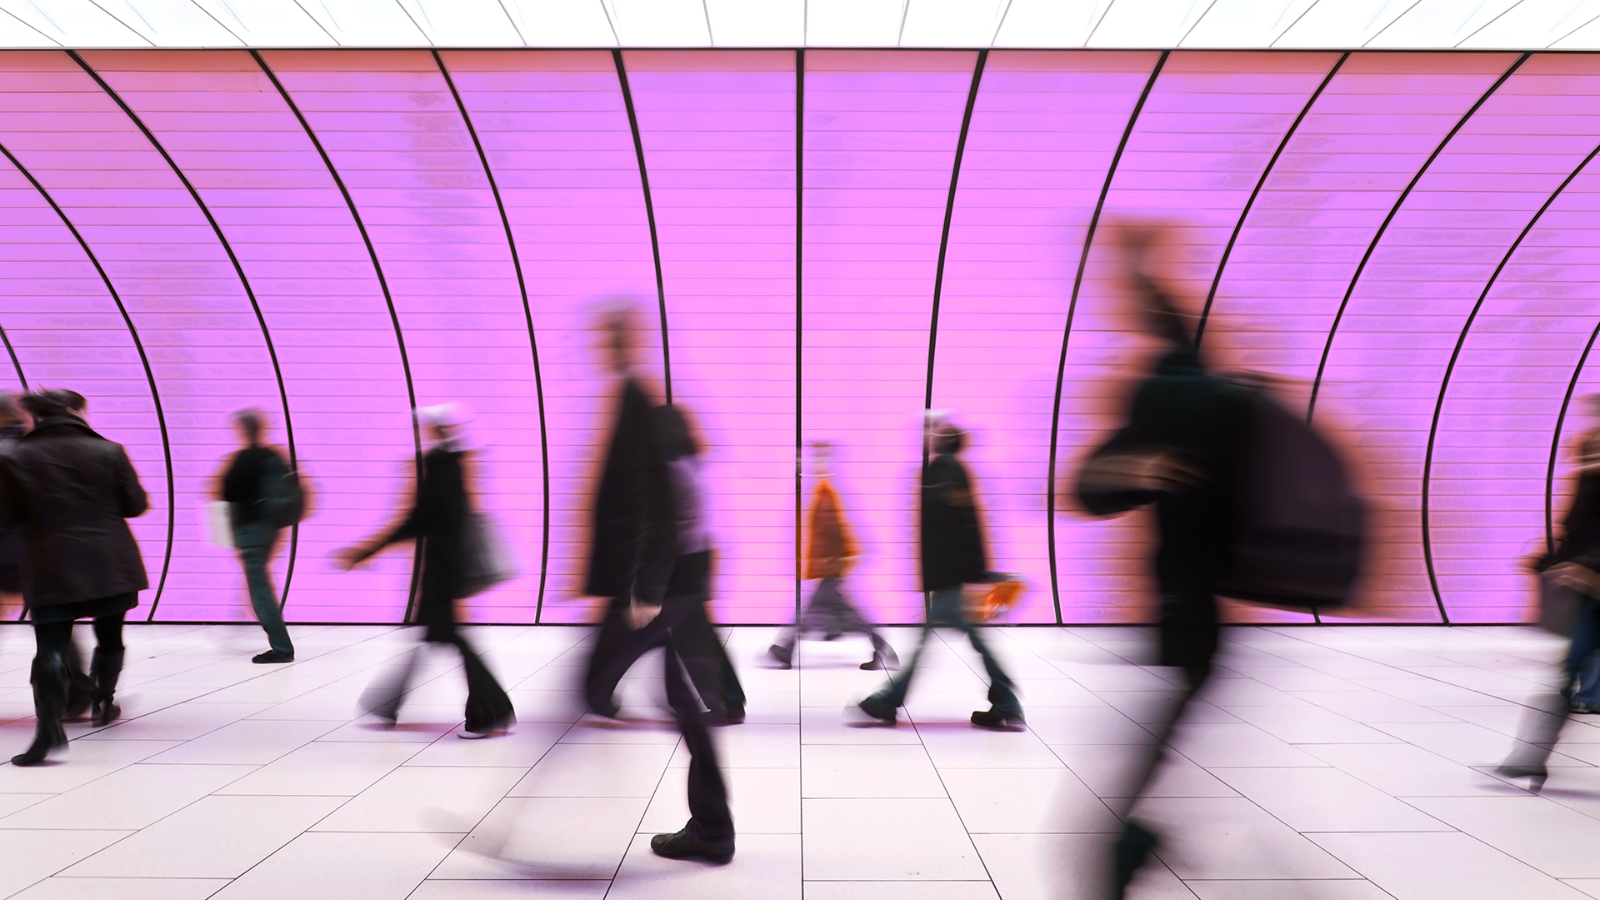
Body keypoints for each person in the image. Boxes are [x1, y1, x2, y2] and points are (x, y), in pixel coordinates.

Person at [1073, 223, 1254, 898]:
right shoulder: (1226, 399)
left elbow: (1088, 490)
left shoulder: (1168, 402)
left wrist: (1135, 463)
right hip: (1204, 600)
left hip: (1184, 599)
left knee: (1162, 732)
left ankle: (1127, 844)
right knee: (1170, 725)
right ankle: (1133, 839)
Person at [582, 307, 745, 724]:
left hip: (675, 560)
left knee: (656, 632)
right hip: (692, 557)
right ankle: (718, 700)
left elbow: (664, 522)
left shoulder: (670, 471)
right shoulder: (691, 465)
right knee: (683, 634)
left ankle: (605, 691)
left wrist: (647, 581)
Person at [336, 404, 515, 739]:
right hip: (446, 567)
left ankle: (490, 711)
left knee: (448, 637)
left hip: (442, 570)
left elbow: (421, 518)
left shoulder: (439, 464)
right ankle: (386, 703)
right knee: (433, 635)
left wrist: (365, 550)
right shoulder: (456, 461)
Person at [0, 389, 149, 765]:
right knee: (109, 634)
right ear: (74, 412)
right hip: (109, 560)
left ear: (38, 417)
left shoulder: (19, 458)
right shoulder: (110, 451)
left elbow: (10, 516)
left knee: (50, 646)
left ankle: (49, 728)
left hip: (49, 563)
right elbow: (135, 505)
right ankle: (103, 701)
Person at [856, 417, 1022, 729]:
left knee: (928, 642)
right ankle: (1007, 703)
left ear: (943, 442)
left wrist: (967, 572)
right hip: (955, 573)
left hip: (951, 575)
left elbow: (955, 524)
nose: (928, 436)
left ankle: (888, 701)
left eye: (935, 433)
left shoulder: (944, 469)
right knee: (968, 639)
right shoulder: (952, 469)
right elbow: (967, 521)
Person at [769, 441, 897, 670]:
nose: (807, 463)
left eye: (815, 459)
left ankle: (785, 650)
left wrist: (830, 561)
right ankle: (880, 646)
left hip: (831, 565)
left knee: (812, 612)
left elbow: (833, 531)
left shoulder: (826, 492)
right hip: (831, 565)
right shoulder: (824, 490)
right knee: (843, 612)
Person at [217, 408, 296, 664]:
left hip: (250, 531)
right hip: (270, 529)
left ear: (243, 429)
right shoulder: (274, 456)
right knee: (260, 586)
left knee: (260, 591)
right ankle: (280, 644)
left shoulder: (242, 459)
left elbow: (227, 493)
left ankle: (282, 648)